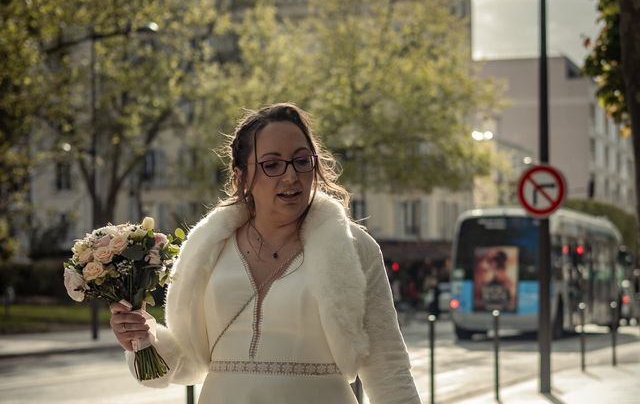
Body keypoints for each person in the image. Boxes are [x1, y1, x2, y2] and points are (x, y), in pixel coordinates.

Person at [110, 103, 422, 403]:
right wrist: (143, 339)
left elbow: (388, 367)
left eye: (302, 161)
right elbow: (187, 363)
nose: (290, 176)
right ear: (241, 176)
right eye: (271, 165)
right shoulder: (206, 246)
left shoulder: (354, 247)